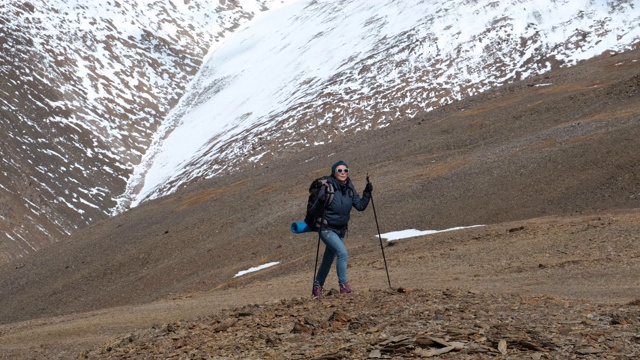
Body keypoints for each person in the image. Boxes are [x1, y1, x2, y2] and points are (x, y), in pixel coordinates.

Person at [311, 160, 372, 297]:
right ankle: (344, 286)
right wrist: (321, 200)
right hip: (326, 228)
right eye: (340, 170)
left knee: (328, 259)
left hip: (340, 230)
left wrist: (367, 191)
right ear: (334, 172)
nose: (343, 173)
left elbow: (360, 206)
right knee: (342, 253)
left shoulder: (349, 188)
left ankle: (317, 287)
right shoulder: (327, 187)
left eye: (346, 170)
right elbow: (314, 210)